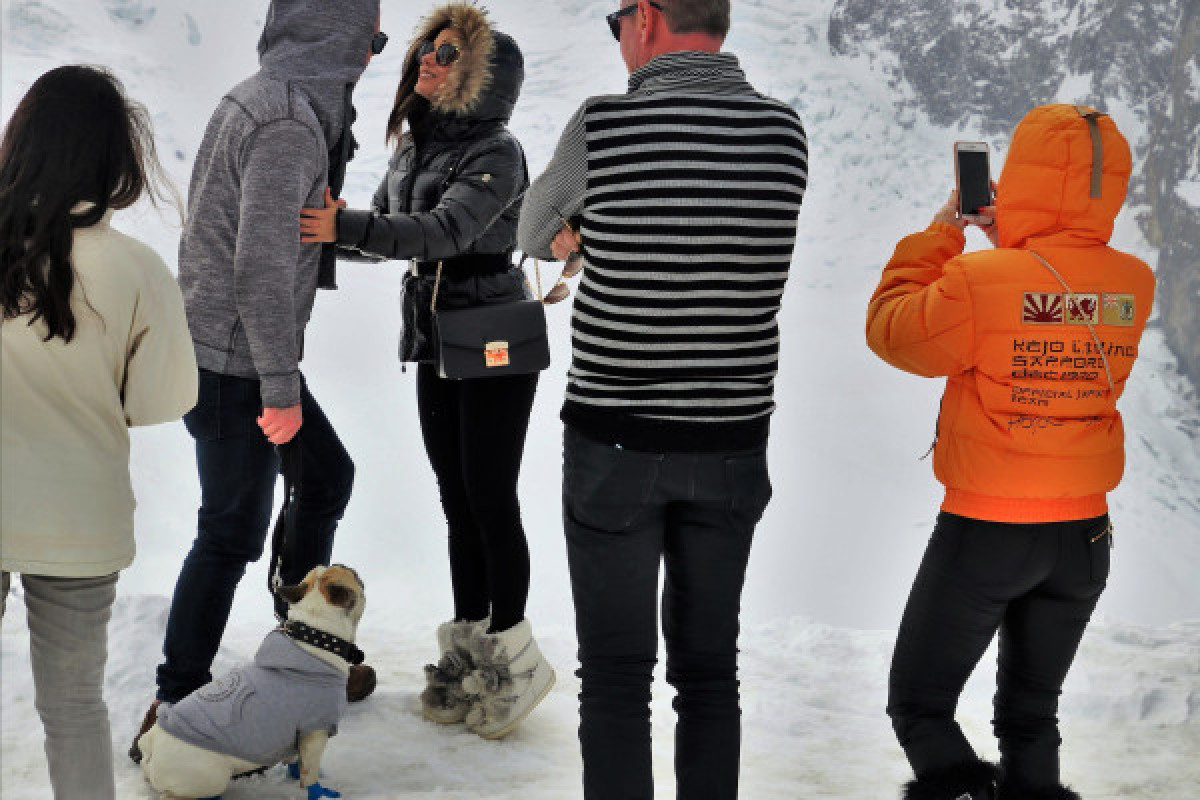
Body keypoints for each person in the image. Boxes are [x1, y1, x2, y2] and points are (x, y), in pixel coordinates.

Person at [517, 0, 808, 795]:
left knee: (615, 676)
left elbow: (532, 228)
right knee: (711, 673)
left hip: (614, 442)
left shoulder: (603, 127)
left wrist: (578, 230)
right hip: (733, 441)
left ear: (645, 17)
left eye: (617, 23)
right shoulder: (784, 134)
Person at [866, 104, 1156, 800]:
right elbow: (1049, 299)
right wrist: (1017, 245)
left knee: (920, 705)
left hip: (989, 532)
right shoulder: (1133, 284)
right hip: (1084, 537)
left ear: (1019, 177)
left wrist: (945, 233)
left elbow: (892, 330)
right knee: (1030, 718)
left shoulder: (977, 283)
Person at [130, 0, 385, 762]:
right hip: (237, 364)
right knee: (230, 531)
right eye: (369, 40)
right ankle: (173, 704)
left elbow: (274, 236)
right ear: (337, 39)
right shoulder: (287, 124)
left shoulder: (264, 96)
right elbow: (260, 266)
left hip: (226, 350)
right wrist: (278, 386)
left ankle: (301, 653)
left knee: (325, 475)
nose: (372, 57)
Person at [299, 2, 554, 739]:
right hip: (436, 336)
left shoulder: (499, 151)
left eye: (446, 55)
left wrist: (340, 227)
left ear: (481, 76)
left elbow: (441, 233)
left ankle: (510, 661)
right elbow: (384, 232)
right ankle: (470, 653)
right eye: (427, 53)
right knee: (456, 498)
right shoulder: (413, 148)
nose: (427, 64)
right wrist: (319, 234)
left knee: (489, 496)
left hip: (491, 335)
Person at [0, 65, 197, 800]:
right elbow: (160, 402)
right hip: (80, 522)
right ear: (118, 159)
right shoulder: (138, 270)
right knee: (74, 709)